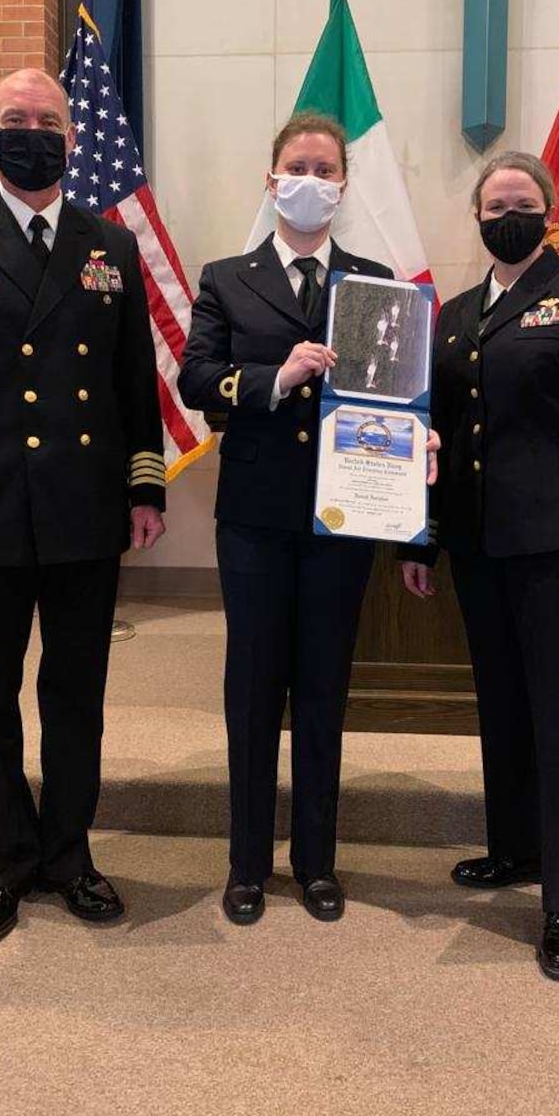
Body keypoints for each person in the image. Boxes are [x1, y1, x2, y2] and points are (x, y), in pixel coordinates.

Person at [0, 68, 167, 947]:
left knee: (77, 692)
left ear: (72, 138)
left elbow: (132, 385)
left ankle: (69, 856)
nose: (33, 132)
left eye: (48, 120)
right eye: (17, 119)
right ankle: (5, 863)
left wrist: (144, 485)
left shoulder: (109, 245)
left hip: (84, 509)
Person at [179, 112, 434, 925]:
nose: (312, 181)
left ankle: (317, 862)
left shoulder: (372, 282)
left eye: (327, 170)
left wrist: (412, 435)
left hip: (343, 518)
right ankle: (248, 864)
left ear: (344, 184)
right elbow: (195, 380)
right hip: (254, 516)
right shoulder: (227, 276)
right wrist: (274, 377)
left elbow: (397, 394)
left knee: (323, 687)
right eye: (298, 166)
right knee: (253, 690)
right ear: (271, 178)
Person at [400, 151, 559, 980]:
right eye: (496, 202)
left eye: (523, 201)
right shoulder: (458, 314)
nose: (509, 212)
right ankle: (514, 851)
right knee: (502, 706)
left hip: (558, 550)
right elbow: (436, 437)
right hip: (479, 547)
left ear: (550, 211)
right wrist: (421, 537)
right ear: (476, 215)